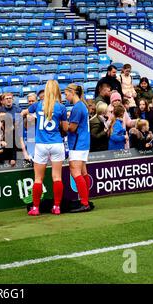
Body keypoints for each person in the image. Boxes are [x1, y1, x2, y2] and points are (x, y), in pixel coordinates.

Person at [21, 80, 68, 216]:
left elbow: (24, 113)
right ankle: (57, 207)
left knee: (38, 178)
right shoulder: (61, 107)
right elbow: (65, 128)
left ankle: (35, 208)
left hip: (41, 144)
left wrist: (29, 117)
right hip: (56, 143)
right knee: (57, 177)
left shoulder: (37, 105)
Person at [64, 84, 92, 212]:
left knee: (75, 172)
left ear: (72, 92)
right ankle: (85, 199)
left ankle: (84, 202)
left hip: (77, 144)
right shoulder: (82, 105)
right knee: (83, 172)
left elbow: (72, 128)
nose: (66, 96)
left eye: (66, 94)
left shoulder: (77, 107)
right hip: (84, 143)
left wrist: (62, 123)